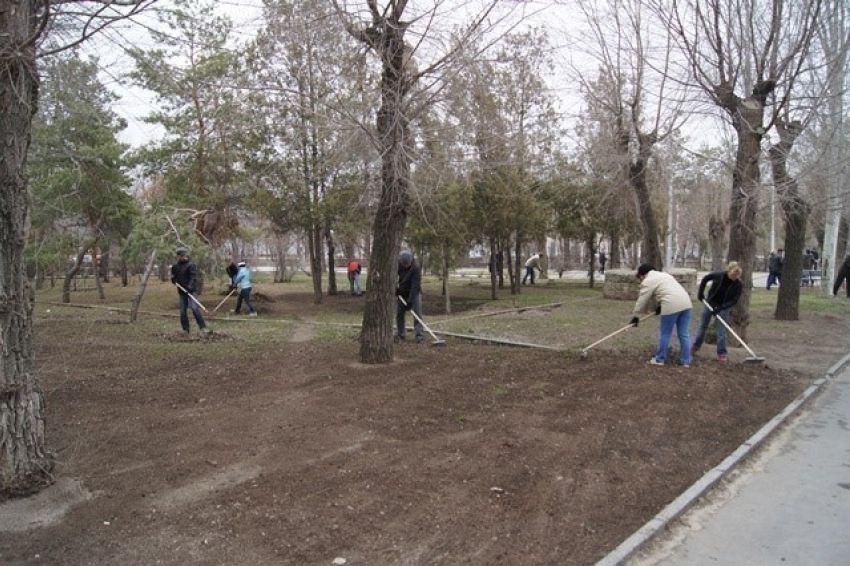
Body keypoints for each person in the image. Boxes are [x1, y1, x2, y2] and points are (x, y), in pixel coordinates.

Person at [631, 263, 693, 367]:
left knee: (665, 334)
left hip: (671, 305)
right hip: (686, 304)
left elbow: (642, 300)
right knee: (684, 334)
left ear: (642, 275)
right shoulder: (665, 275)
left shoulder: (648, 280)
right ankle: (686, 361)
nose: (640, 280)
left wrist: (635, 316)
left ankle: (660, 359)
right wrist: (660, 306)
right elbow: (669, 291)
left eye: (639, 277)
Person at [691, 262, 743, 362]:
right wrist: (700, 293)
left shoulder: (739, 284)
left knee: (721, 330)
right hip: (710, 303)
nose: (734, 277)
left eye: (737, 275)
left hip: (723, 307)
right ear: (729, 271)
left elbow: (734, 300)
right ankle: (695, 347)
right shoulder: (719, 276)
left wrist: (721, 307)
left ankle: (721, 353)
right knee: (703, 326)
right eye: (733, 274)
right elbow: (705, 278)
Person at [171, 247, 210, 334]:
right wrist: (173, 280)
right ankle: (185, 330)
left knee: (194, 308)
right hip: (182, 292)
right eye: (180, 256)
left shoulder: (190, 265)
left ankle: (203, 327)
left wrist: (189, 287)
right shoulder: (175, 266)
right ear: (178, 256)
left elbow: (193, 278)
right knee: (182, 311)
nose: (182, 257)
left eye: (183, 255)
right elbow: (174, 277)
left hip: (191, 291)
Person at [396, 251, 424, 343]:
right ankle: (401, 334)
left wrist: (410, 300)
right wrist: (396, 290)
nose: (405, 266)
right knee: (399, 314)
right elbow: (392, 277)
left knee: (417, 315)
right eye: (403, 264)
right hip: (402, 293)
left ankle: (419, 336)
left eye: (407, 264)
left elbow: (415, 285)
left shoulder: (416, 268)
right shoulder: (398, 265)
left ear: (410, 262)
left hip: (414, 293)